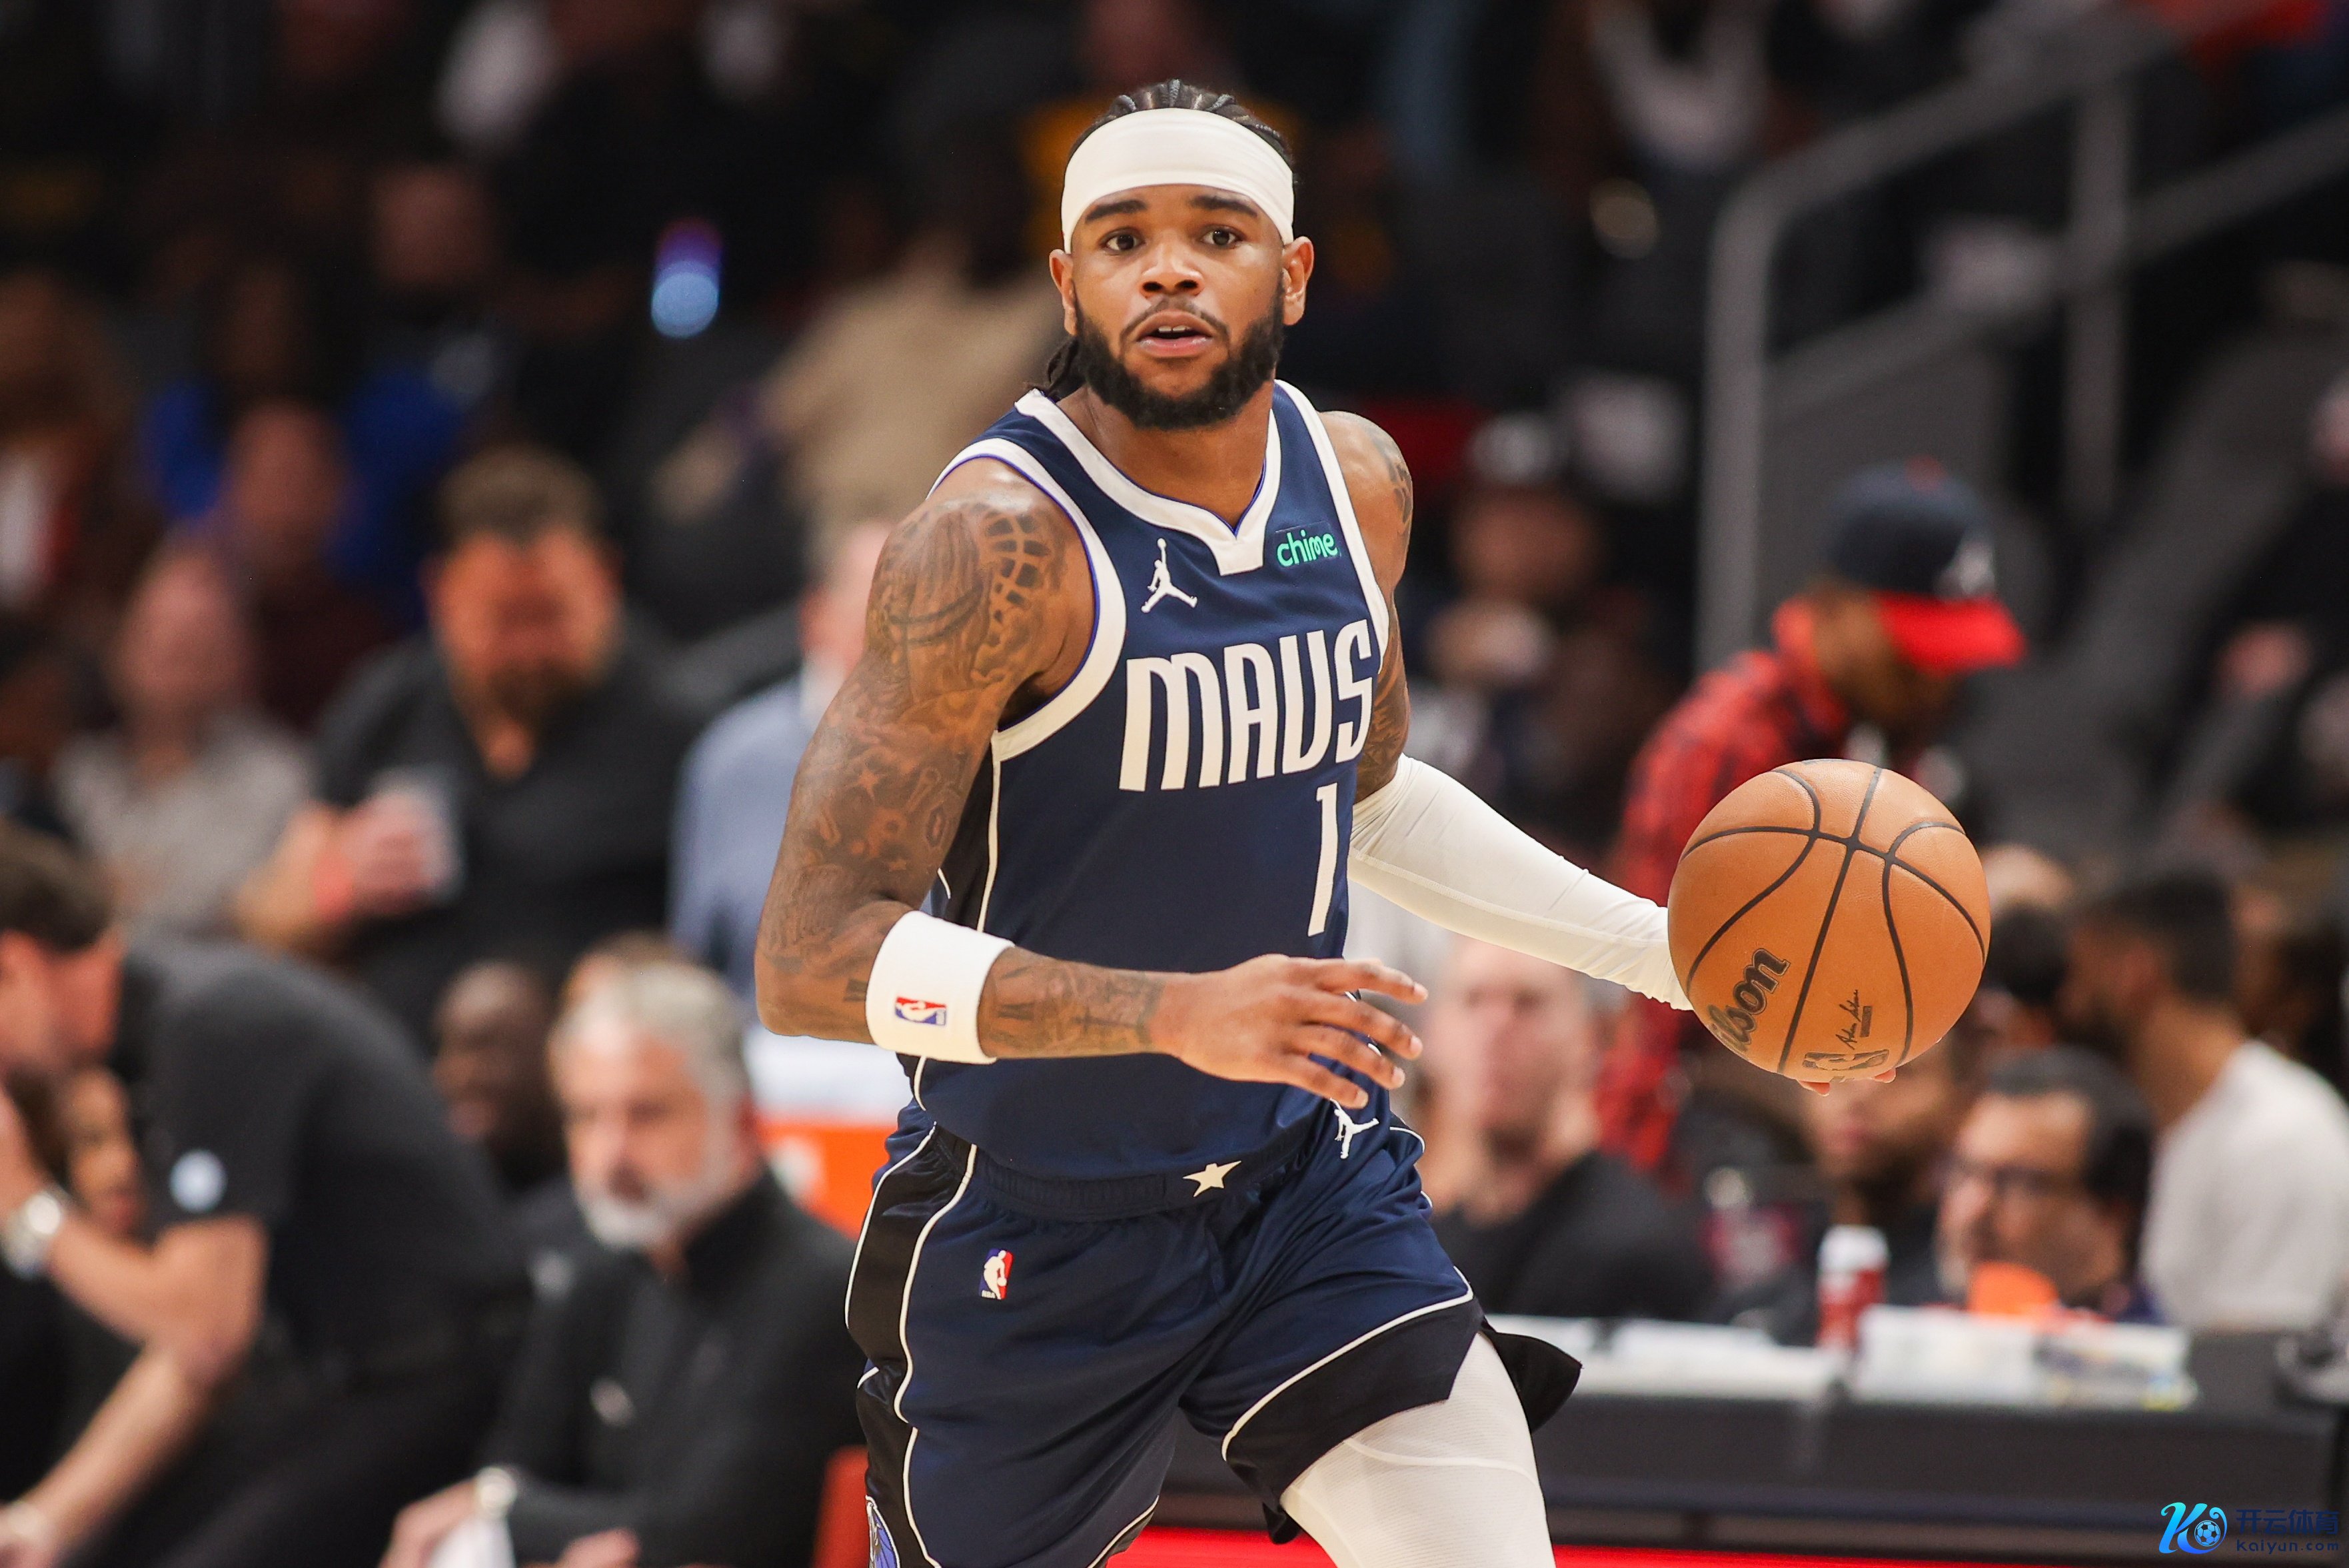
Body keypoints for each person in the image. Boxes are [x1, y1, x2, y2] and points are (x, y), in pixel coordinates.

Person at [756, 82, 1692, 1568]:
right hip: (1035, 1218)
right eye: (1123, 240)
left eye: (1217, 233)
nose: (1169, 270)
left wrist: (1665, 956)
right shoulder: (994, 546)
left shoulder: (1355, 486)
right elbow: (809, 958)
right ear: (1069, 282)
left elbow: (1363, 796)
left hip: (1302, 1186)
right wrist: (1175, 1013)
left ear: (1296, 273)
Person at [0, 826, 526, 1568]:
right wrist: (44, 1521)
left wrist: (27, 1205)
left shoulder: (207, 1023)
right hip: (341, 1378)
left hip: (449, 1375)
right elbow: (195, 1352)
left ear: (16, 965)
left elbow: (205, 1332)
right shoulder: (155, 1033)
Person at [1607, 460, 2027, 1178]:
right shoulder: (1731, 746)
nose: (1937, 680)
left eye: (1950, 657)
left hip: (1830, 1095)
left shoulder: (1879, 721)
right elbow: (1688, 1012)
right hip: (1694, 1135)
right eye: (1915, 653)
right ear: (1835, 608)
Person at [382, 962, 861, 1568]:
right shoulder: (603, 1263)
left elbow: (709, 1528)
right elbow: (518, 1458)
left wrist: (508, 1514)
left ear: (740, 1119)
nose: (612, 1152)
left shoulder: (821, 1288)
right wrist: (505, 1511)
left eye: (646, 1113)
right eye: (586, 1116)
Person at [235, 446, 707, 1046]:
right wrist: (340, 882)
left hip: (589, 1071)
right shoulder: (386, 708)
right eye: (503, 620)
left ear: (604, 578)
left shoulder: (680, 729)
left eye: (551, 615)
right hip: (401, 1067)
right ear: (442, 593)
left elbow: (718, 948)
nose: (529, 650)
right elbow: (267, 919)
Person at [2062, 870, 2349, 1330]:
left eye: (2079, 977)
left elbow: (2255, 1363)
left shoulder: (2282, 1137)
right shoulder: (2149, 1118)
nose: (2068, 1003)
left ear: (2134, 974)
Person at [1423, 939, 1713, 1320]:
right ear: (1431, 1035)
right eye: (1472, 1000)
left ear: (1592, 1038)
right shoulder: (1425, 1254)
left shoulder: (1633, 1249)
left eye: (1528, 1003)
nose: (1495, 1028)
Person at [672, 518, 888, 1000]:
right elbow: (695, 956)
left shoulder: (987, 751)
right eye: (879, 624)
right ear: (817, 618)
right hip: (761, 1032)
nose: (905, 654)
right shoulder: (732, 760)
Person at [53, 549, 310, 937]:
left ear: (242, 656)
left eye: (201, 639)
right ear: (120, 646)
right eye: (161, 634)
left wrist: (100, 890)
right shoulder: (76, 770)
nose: (179, 655)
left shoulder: (278, 776)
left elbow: (241, 912)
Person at [1722, 1034, 1973, 1343]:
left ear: (1961, 1104)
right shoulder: (1763, 1277)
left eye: (1902, 1070)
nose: (1860, 1092)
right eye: (1836, 1064)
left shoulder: (1967, 1285)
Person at [207, 399, 399, 730]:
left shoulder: (363, 637)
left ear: (341, 494)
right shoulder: (194, 622)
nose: (285, 505)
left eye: (302, 480)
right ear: (231, 489)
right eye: (270, 478)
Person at [1937, 1047, 2156, 1319]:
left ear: (2114, 1213)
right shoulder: (1913, 1322)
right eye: (1965, 1171)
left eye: (2022, 1184)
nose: (1973, 1210)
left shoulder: (2167, 1346)